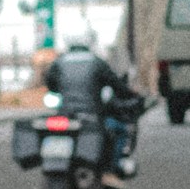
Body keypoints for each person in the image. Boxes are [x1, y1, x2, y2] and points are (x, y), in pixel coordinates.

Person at [45, 39, 144, 169]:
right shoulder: (97, 62)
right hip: (92, 113)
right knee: (119, 130)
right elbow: (116, 85)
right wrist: (133, 94)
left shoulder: (59, 62)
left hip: (64, 114)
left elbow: (51, 84)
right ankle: (113, 168)